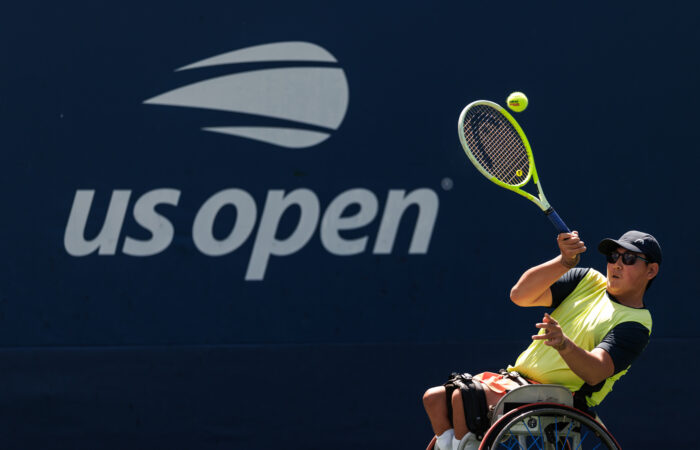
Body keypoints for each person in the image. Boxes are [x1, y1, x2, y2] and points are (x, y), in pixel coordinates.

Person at [422, 230, 661, 450]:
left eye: (628, 259)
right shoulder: (587, 280)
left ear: (651, 271)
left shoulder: (636, 324)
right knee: (434, 399)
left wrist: (564, 345)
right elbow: (520, 295)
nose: (617, 264)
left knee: (462, 397)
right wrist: (564, 262)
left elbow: (596, 371)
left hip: (561, 396)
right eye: (613, 256)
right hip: (517, 381)